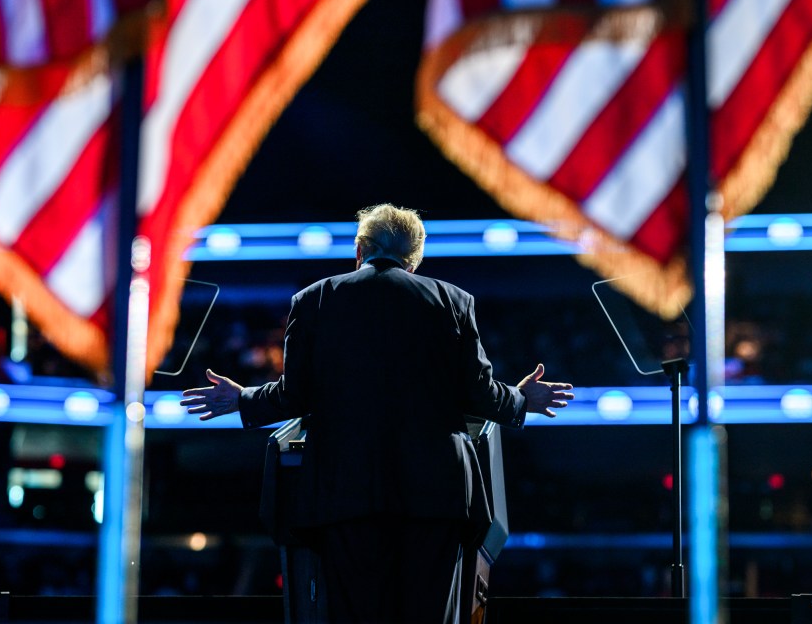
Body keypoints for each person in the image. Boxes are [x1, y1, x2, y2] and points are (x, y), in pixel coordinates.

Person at [182, 204, 574, 623]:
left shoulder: (314, 300)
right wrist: (519, 399)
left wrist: (242, 399)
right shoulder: (454, 301)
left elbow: (294, 397)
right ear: (416, 256)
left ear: (359, 248)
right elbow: (478, 395)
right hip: (436, 499)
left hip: (346, 497)